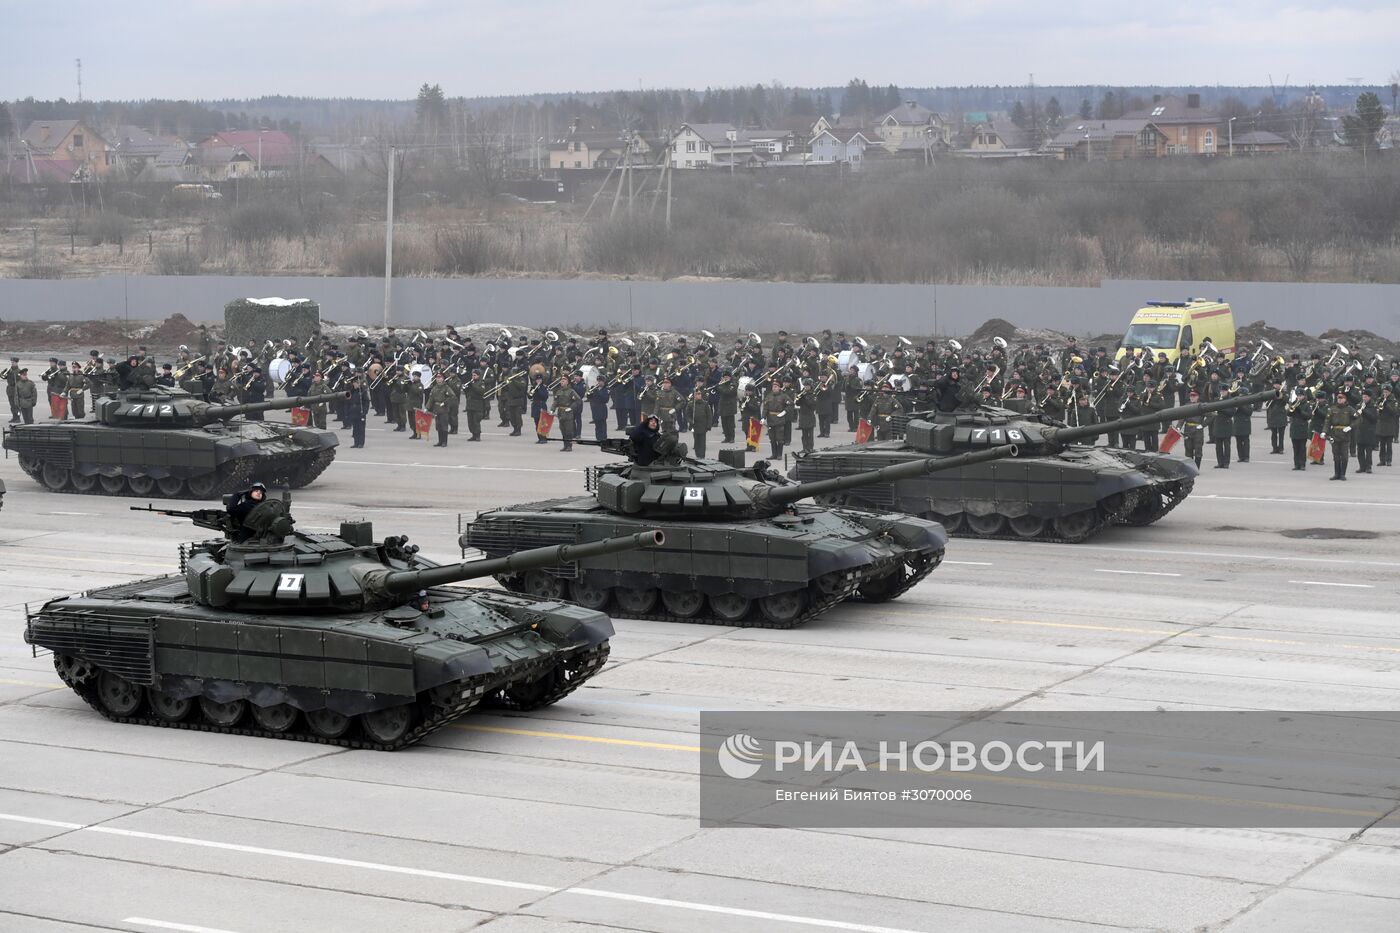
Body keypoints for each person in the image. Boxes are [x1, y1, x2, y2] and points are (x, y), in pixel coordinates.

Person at [1325, 389, 1356, 480]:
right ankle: (1336, 474)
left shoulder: (1349, 409)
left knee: (1344, 456)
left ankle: (1343, 474)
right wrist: (1324, 431)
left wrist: (1351, 426)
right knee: (1336, 456)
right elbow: (1327, 421)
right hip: (1334, 434)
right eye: (1338, 398)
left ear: (1345, 399)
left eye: (1341, 398)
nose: (1339, 399)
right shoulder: (1332, 409)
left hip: (1345, 434)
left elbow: (1358, 419)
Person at [426, 371, 455, 447]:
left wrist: (445, 403)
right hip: (436, 409)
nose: (438, 379)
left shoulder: (446, 387)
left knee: (444, 425)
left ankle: (444, 442)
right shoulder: (434, 388)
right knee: (438, 426)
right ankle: (440, 441)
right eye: (437, 377)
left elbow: (452, 396)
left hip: (443, 409)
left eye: (440, 378)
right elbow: (431, 399)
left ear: (443, 379)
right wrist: (427, 408)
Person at [1355, 390, 1378, 474]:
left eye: (1366, 397)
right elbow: (1355, 416)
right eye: (1363, 396)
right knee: (1360, 450)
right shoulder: (1359, 405)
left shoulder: (1373, 406)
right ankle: (1362, 466)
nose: (1364, 398)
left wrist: (1364, 410)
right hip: (1360, 430)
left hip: (1369, 431)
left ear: (1369, 397)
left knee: (1368, 451)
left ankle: (1368, 467)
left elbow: (1374, 418)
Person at [462, 369, 487, 441]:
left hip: (477, 405)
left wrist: (472, 385)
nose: (473, 377)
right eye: (472, 375)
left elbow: (481, 391)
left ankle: (478, 435)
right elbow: (467, 393)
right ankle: (473, 435)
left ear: (478, 376)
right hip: (470, 405)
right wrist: (465, 388)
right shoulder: (471, 382)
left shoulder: (481, 382)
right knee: (470, 422)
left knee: (476, 421)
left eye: (475, 375)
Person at [686, 387, 711, 459]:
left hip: (703, 426)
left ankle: (702, 456)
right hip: (695, 426)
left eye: (699, 394)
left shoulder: (705, 404)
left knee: (702, 442)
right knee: (696, 442)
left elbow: (709, 415)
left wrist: (708, 425)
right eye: (696, 394)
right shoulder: (690, 404)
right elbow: (687, 415)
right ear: (694, 395)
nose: (698, 395)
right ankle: (698, 456)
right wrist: (691, 421)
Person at [346, 374, 369, 448]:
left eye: (357, 383)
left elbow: (366, 402)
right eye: (354, 383)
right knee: (355, 428)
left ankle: (361, 443)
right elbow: (348, 401)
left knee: (361, 428)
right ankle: (356, 442)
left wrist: (365, 412)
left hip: (360, 411)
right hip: (353, 411)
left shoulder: (363, 391)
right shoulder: (352, 392)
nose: (355, 385)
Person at [1378, 385, 1398, 467]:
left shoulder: (1393, 400)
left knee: (1389, 445)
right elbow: (1378, 409)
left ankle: (1389, 460)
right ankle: (1382, 460)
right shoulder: (1381, 399)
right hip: (1381, 424)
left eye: (1386, 392)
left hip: (1390, 424)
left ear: (1390, 392)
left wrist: (1386, 404)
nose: (1384, 393)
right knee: (1382, 444)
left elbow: (1394, 412)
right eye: (1384, 391)